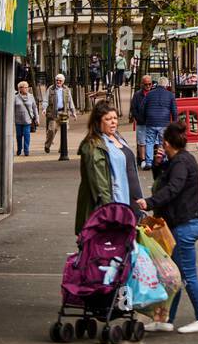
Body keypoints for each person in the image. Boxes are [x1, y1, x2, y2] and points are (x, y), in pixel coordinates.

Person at [138, 122, 198, 334]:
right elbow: (166, 183)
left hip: (184, 225)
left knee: (186, 276)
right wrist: (159, 165)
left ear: (167, 143)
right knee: (173, 276)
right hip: (186, 223)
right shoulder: (179, 160)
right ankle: (166, 319)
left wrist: (149, 202)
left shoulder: (180, 163)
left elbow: (172, 189)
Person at [75, 100, 143, 233]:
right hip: (114, 212)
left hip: (130, 206)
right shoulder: (93, 146)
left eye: (115, 118)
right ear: (98, 121)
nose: (113, 122)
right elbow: (100, 186)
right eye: (108, 119)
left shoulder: (118, 137)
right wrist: (111, 213)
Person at [141, 77, 178, 171]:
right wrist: (174, 122)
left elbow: (142, 107)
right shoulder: (170, 95)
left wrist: (145, 118)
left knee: (149, 142)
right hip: (164, 122)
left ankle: (149, 162)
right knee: (163, 142)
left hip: (151, 121)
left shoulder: (149, 94)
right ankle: (163, 160)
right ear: (166, 85)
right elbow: (174, 110)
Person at [44, 73, 77, 153]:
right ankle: (47, 145)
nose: (58, 82)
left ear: (63, 81)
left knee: (64, 131)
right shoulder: (51, 89)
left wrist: (73, 112)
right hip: (53, 113)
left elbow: (70, 101)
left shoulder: (66, 89)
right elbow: (45, 100)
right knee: (52, 130)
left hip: (64, 113)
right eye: (57, 80)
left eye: (60, 80)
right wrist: (44, 108)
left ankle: (62, 148)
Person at [129, 74, 153, 168]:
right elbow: (133, 108)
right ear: (142, 84)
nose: (148, 86)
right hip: (141, 122)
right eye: (146, 84)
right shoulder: (137, 95)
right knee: (141, 141)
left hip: (151, 122)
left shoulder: (153, 93)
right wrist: (138, 118)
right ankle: (142, 160)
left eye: (149, 84)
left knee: (151, 141)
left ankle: (149, 159)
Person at [14, 80, 38, 156]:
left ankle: (26, 150)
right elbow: (12, 109)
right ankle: (19, 149)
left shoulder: (31, 96)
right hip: (18, 120)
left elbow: (34, 108)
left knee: (27, 135)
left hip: (28, 120)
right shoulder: (15, 97)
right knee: (19, 136)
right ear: (20, 88)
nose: (26, 89)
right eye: (24, 87)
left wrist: (37, 118)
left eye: (27, 87)